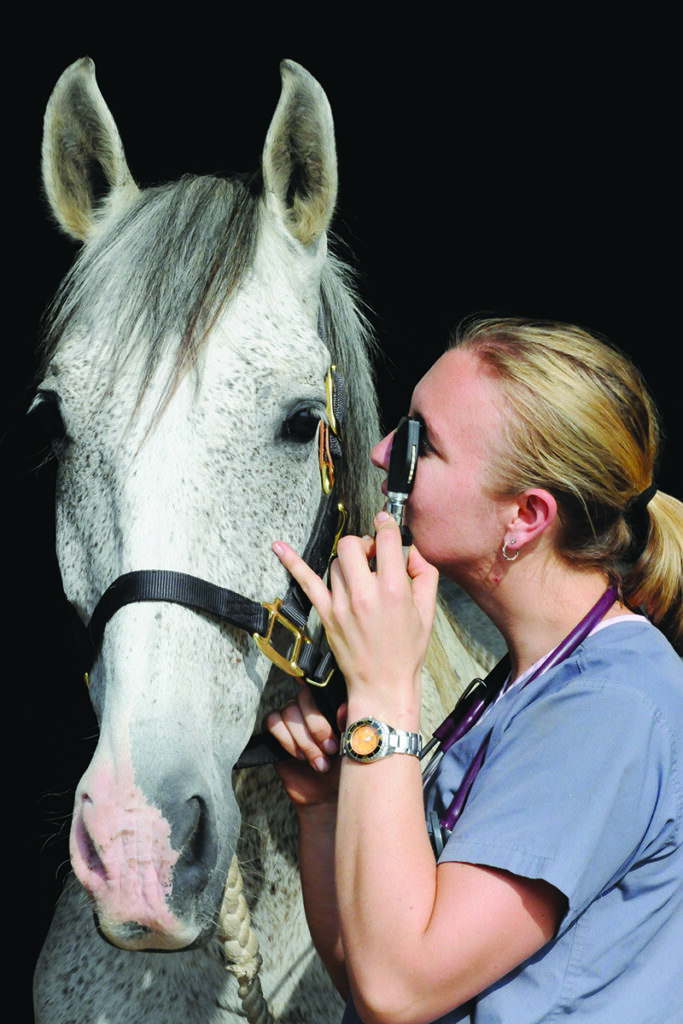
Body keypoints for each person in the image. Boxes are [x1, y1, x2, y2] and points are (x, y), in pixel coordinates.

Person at [265, 317, 683, 1024]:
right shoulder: (524, 684)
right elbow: (366, 970)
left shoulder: (611, 705)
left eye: (420, 445)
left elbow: (400, 988)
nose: (379, 453)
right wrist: (327, 805)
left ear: (524, 516)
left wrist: (382, 698)